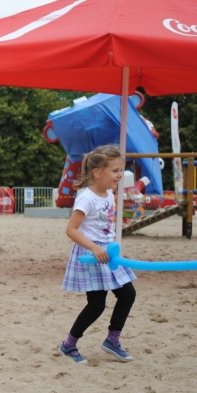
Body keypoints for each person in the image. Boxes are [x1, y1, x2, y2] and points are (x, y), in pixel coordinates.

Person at [59, 145, 136, 364]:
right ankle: (68, 344)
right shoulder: (86, 198)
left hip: (108, 252)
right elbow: (71, 230)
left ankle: (112, 340)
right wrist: (94, 247)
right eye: (115, 170)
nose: (120, 175)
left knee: (127, 294)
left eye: (121, 170)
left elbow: (105, 225)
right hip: (91, 254)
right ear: (97, 172)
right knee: (96, 305)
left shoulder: (110, 194)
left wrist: (110, 246)